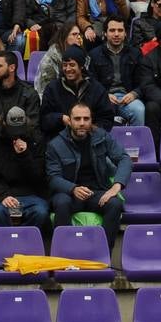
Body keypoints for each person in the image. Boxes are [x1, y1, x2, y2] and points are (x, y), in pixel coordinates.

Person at [46, 100, 132, 247]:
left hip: (96, 192)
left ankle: (103, 251)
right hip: (69, 194)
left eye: (86, 119)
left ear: (91, 120)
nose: (82, 123)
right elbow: (53, 178)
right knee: (61, 202)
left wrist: (116, 186)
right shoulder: (56, 144)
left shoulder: (102, 136)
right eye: (77, 119)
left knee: (115, 204)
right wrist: (73, 188)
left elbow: (124, 158)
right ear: (70, 121)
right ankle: (62, 252)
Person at [0, 104, 51, 231]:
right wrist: (3, 195)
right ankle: (5, 243)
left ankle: (25, 244)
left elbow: (39, 177)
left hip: (29, 194)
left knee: (41, 211)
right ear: (4, 124)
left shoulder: (36, 140)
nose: (16, 134)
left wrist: (24, 155)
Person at [0, 50, 41, 147]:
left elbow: (32, 127)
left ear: (12, 68)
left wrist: (17, 143)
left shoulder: (29, 94)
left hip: (22, 148)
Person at [41, 47, 111, 139]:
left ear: (81, 66)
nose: (68, 69)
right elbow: (44, 119)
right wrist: (60, 118)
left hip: (91, 140)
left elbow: (106, 118)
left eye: (72, 65)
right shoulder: (52, 88)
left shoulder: (96, 89)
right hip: (60, 140)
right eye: (65, 65)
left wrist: (90, 127)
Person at [90, 16, 146, 128]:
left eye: (120, 30)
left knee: (139, 110)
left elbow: (144, 80)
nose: (116, 34)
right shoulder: (94, 54)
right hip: (104, 97)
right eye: (112, 30)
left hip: (128, 97)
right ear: (105, 33)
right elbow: (91, 82)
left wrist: (135, 93)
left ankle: (134, 144)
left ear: (126, 33)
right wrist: (104, 95)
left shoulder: (135, 53)